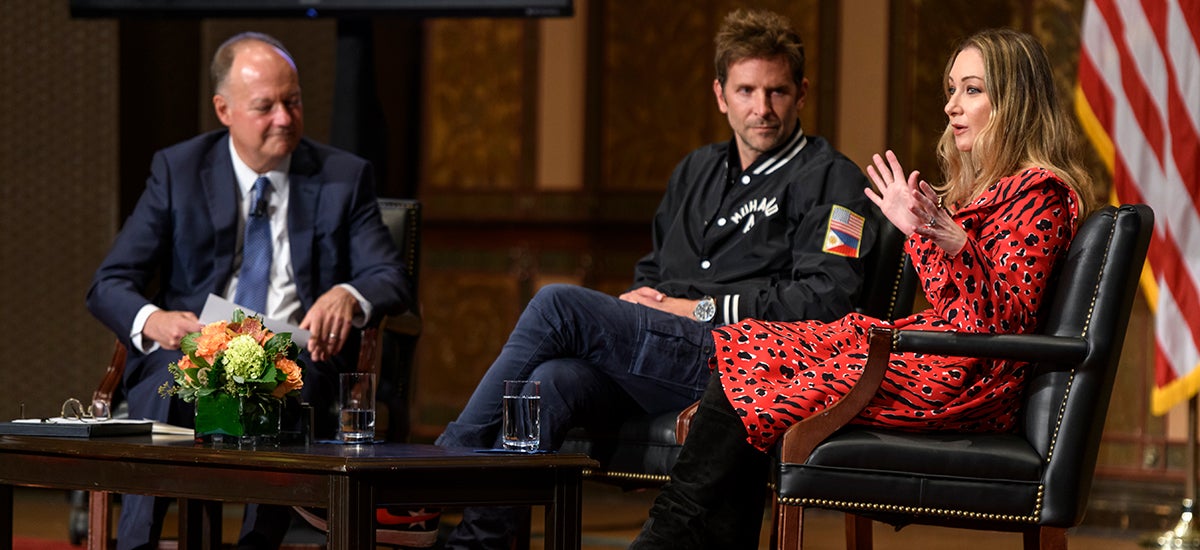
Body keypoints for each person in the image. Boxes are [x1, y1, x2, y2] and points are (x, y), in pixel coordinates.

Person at [626, 27, 1099, 549]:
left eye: (972, 89)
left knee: (760, 359)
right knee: (755, 349)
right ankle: (674, 533)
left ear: (1014, 101)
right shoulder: (994, 191)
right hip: (938, 359)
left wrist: (949, 242)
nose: (951, 106)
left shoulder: (1042, 195)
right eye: (951, 89)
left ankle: (664, 537)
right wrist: (931, 236)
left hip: (962, 381)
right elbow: (955, 304)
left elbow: (995, 327)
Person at [430, 9, 881, 550]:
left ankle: (435, 468)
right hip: (665, 354)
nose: (762, 109)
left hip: (743, 366)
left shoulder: (835, 179)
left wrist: (698, 310)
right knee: (548, 382)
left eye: (778, 91)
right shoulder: (693, 171)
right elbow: (656, 271)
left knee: (556, 305)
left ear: (802, 93)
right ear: (720, 94)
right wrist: (635, 301)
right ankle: (481, 543)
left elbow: (827, 298)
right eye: (746, 91)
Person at [85, 32, 410, 550]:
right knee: (162, 392)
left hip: (292, 357)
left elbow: (389, 277)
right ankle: (136, 545)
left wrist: (349, 292)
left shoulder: (343, 178)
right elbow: (109, 282)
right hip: (192, 350)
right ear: (224, 110)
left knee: (281, 393)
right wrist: (153, 319)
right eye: (265, 107)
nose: (284, 118)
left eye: (293, 102)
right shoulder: (179, 170)